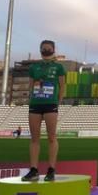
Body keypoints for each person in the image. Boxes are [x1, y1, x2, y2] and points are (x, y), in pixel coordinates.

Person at [22, 40, 66, 182]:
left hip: (50, 105)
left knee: (51, 137)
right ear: (40, 49)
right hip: (35, 104)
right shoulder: (34, 67)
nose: (46, 49)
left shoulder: (59, 67)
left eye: (49, 47)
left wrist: (57, 102)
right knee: (34, 139)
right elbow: (30, 86)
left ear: (53, 49)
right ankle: (34, 170)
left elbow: (62, 86)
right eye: (43, 47)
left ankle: (51, 169)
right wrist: (31, 99)